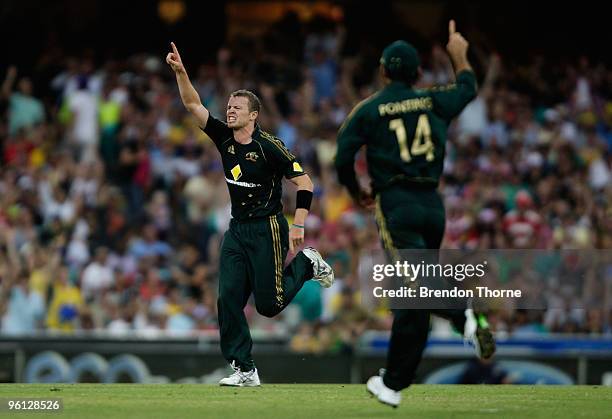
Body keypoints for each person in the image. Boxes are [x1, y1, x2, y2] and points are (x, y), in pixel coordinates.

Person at [335, 21, 495, 408]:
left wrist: (358, 192)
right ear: (418, 72)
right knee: (411, 292)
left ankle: (463, 314)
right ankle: (392, 382)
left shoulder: (370, 109)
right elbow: (469, 88)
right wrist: (459, 55)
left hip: (397, 203)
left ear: (383, 70)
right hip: (432, 205)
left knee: (417, 287)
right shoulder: (433, 100)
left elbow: (343, 155)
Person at [166, 42, 334, 387]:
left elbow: (305, 182)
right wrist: (182, 72)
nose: (229, 111)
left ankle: (307, 263)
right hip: (237, 230)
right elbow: (192, 104)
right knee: (227, 299)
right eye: (228, 106)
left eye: (237, 107)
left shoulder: (269, 146)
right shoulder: (224, 139)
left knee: (268, 307)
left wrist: (298, 223)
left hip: (268, 229)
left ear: (253, 115)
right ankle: (244, 369)